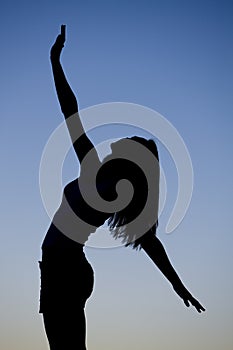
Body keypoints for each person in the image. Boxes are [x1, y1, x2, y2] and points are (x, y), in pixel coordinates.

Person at [39, 25, 205, 350]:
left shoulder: (97, 178)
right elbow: (151, 243)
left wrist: (54, 60)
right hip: (65, 269)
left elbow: (70, 112)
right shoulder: (105, 182)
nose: (119, 141)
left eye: (128, 142)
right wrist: (178, 285)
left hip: (64, 270)